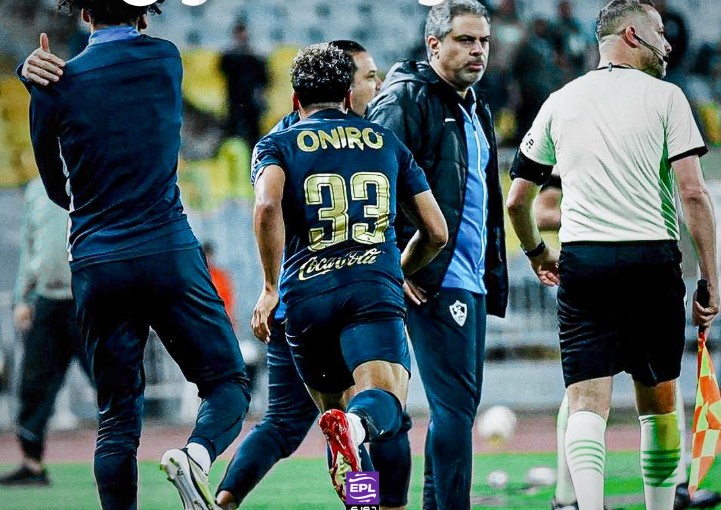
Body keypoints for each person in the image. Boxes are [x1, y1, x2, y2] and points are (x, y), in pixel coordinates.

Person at [19, 1, 251, 509]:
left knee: (117, 419)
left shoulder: (53, 83)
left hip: (98, 259)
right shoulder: (165, 58)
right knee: (227, 383)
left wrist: (29, 75)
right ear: (145, 14)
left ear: (84, 13)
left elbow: (55, 185)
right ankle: (195, 456)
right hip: (167, 249)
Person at [506, 1, 718, 509]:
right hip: (652, 260)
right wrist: (711, 279)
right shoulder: (668, 98)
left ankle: (582, 503)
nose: (668, 43)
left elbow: (517, 200)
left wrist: (536, 251)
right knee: (659, 402)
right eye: (659, 32)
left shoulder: (560, 100)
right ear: (631, 34)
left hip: (584, 262)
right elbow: (693, 193)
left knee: (585, 403)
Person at [216, 40, 415, 510]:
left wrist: (271, 289)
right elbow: (434, 227)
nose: (376, 87)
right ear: (346, 91)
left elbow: (268, 204)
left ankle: (225, 496)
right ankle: (384, 503)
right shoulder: (377, 140)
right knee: (379, 409)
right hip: (352, 294)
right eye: (367, 78)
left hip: (297, 303)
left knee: (299, 420)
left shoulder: (279, 139)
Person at [367, 1, 509, 508]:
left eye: (483, 41)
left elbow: (480, 200)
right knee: (445, 410)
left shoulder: (474, 105)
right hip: (430, 276)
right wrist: (393, 262)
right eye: (465, 40)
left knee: (454, 409)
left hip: (466, 276)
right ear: (433, 44)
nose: (477, 51)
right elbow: (372, 185)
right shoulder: (406, 99)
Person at [0, 177, 93, 488]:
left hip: (89, 300)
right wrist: (22, 298)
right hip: (47, 302)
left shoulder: (92, 173)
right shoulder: (36, 190)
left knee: (112, 383)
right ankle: (32, 464)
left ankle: (119, 461)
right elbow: (29, 246)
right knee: (33, 385)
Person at [220, 21, 269, 147]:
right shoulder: (230, 56)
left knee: (253, 132)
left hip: (251, 100)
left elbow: (264, 78)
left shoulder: (254, 56)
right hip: (235, 99)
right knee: (233, 131)